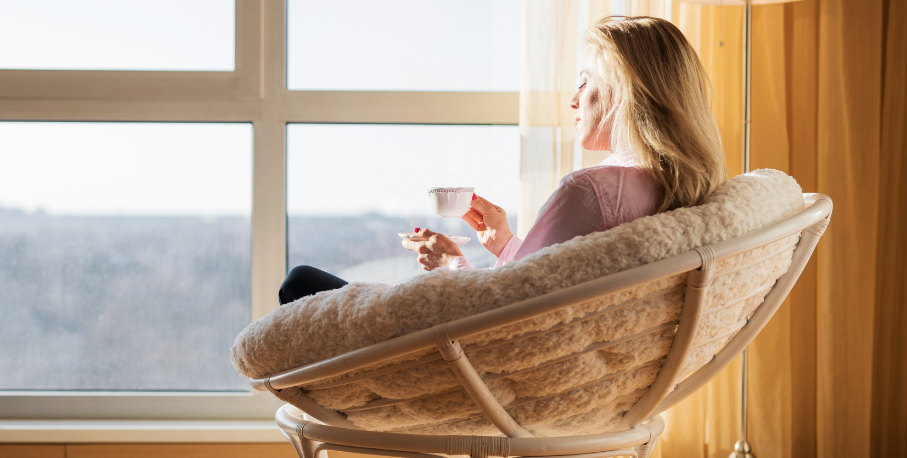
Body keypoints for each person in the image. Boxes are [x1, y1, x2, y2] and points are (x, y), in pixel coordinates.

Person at [279, 16, 726, 306]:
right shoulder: (673, 190)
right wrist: (504, 244)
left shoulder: (591, 190)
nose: (572, 100)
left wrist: (453, 264)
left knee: (300, 283)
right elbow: (537, 287)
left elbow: (501, 312)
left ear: (623, 92)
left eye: (586, 82)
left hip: (471, 367)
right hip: (550, 367)